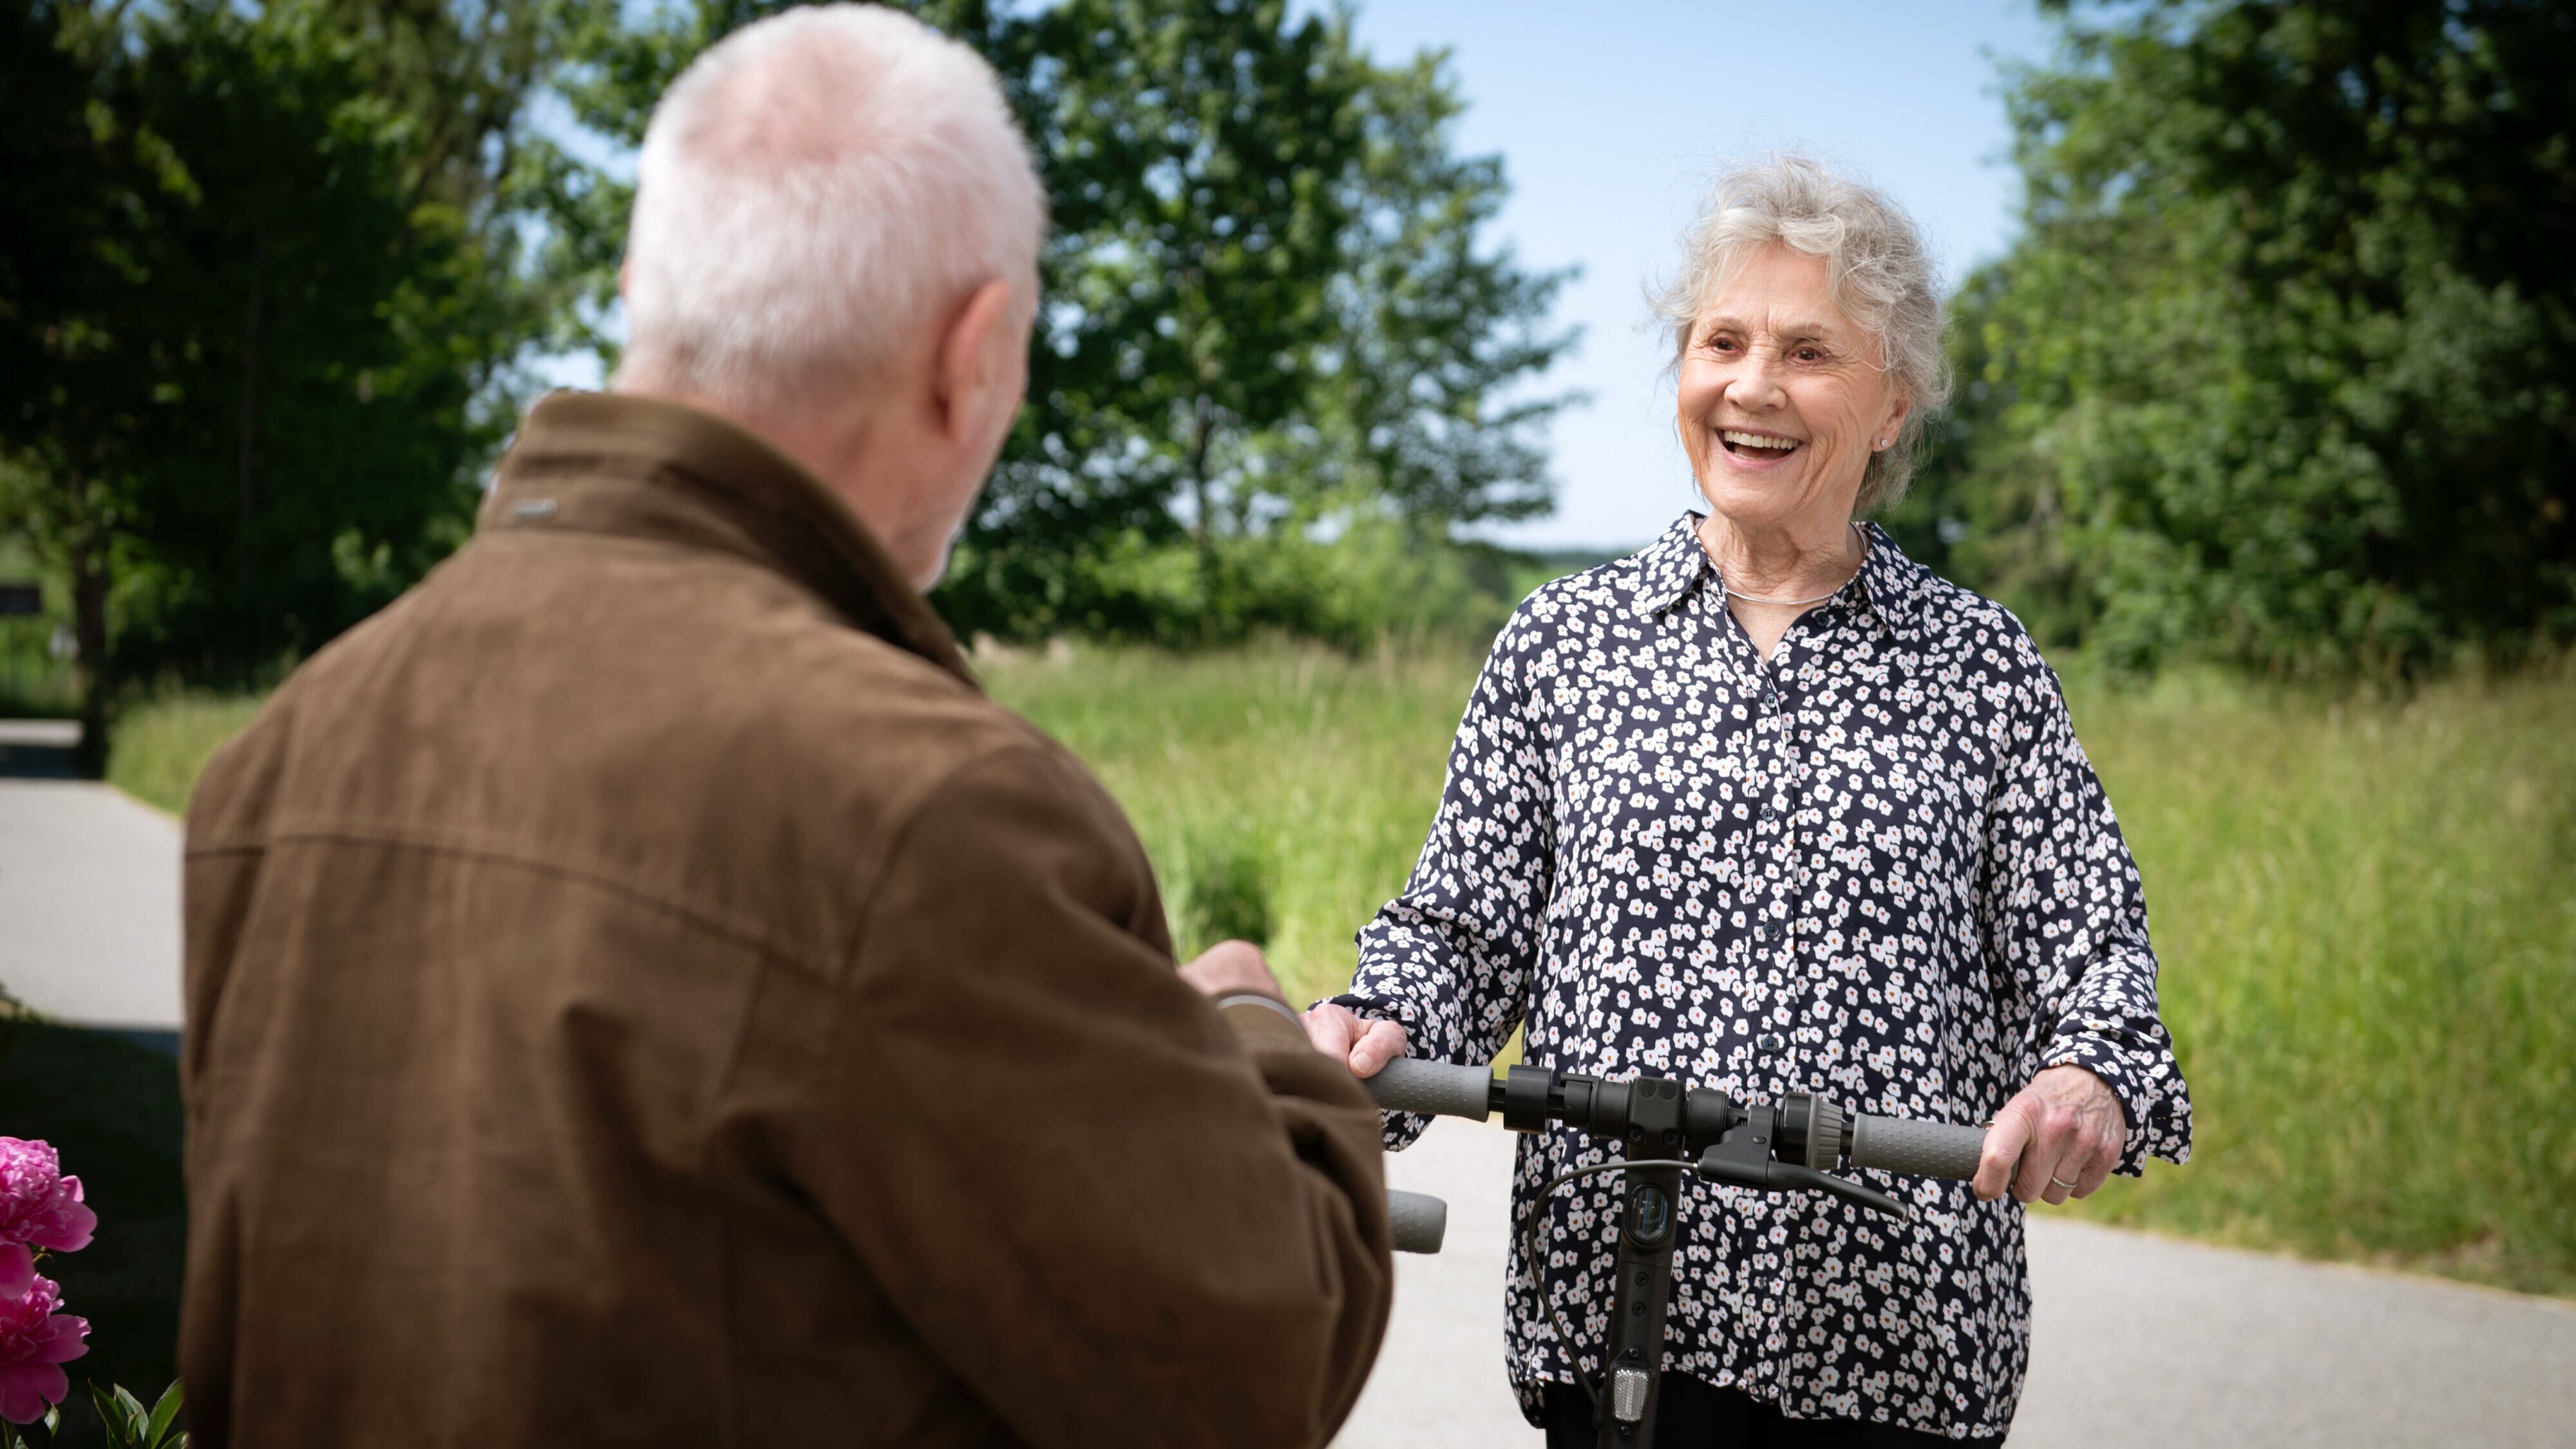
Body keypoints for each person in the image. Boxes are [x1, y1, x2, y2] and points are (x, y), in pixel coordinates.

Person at [176, 8, 1391, 1446]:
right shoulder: (928, 812)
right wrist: (1256, 1026)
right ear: (973, 351)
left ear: (642, 286)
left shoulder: (287, 747)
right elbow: (1254, 1360)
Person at [1303, 155, 2193, 1446]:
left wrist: (2084, 1075)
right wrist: (1372, 1023)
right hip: (1614, 1327)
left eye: (1808, 353)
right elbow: (1465, 923)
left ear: (1892, 406)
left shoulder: (1978, 666)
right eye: (1720, 341)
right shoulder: (1565, 640)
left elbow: (2090, 944)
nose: (1752, 387)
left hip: (1897, 1344)